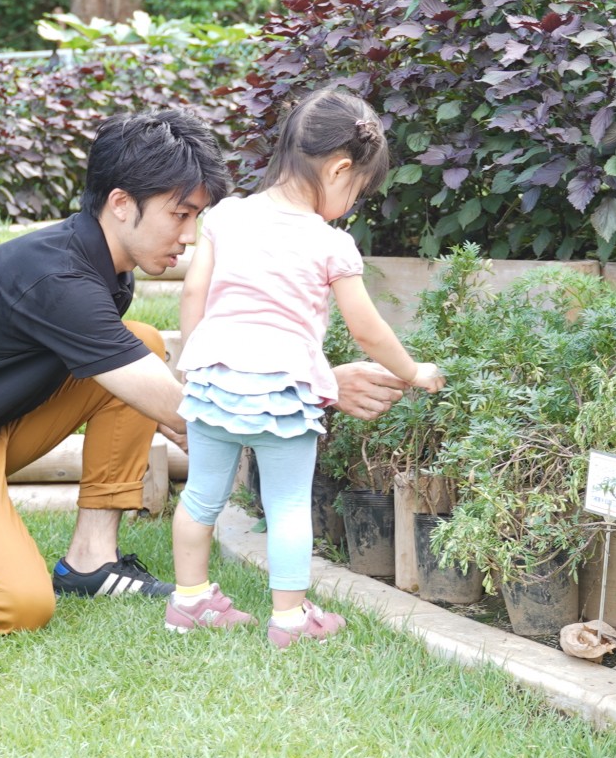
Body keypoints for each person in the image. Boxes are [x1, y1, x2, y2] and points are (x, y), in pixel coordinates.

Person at [0, 108, 408, 633]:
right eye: (179, 214)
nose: (189, 237)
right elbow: (186, 414)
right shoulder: (59, 280)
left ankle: (92, 558)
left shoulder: (103, 264)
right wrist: (321, 385)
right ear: (120, 203)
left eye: (196, 217)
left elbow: (169, 399)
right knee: (17, 606)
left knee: (136, 345)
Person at [166, 87, 444, 648]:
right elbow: (366, 330)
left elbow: (194, 292)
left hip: (214, 384)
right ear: (341, 169)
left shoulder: (227, 217)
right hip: (283, 394)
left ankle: (189, 602)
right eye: (358, 192)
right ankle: (290, 620)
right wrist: (413, 372)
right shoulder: (329, 244)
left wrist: (193, 365)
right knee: (288, 503)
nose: (353, 205)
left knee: (200, 497)